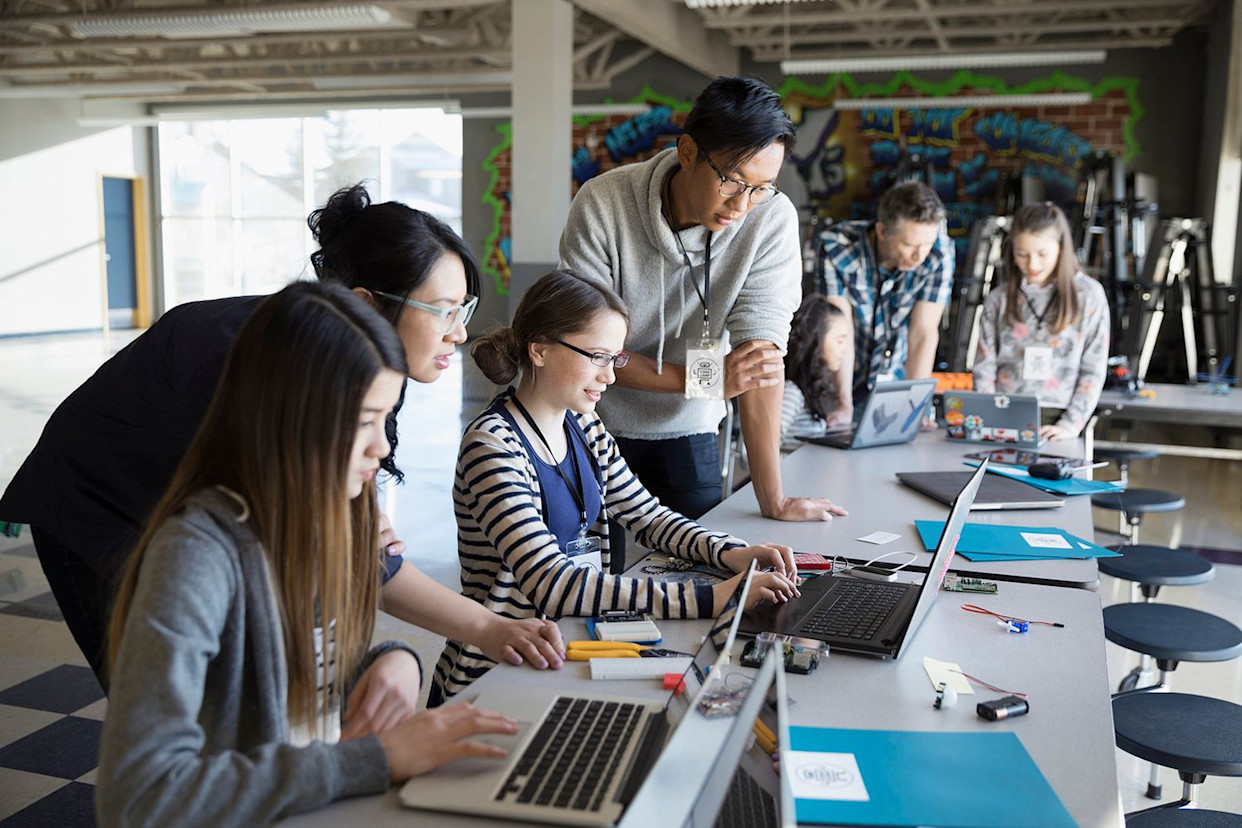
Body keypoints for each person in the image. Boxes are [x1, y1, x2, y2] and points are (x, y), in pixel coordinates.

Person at [0, 183, 563, 691]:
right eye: (443, 311)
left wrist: (488, 627)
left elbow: (360, 552)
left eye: (464, 307)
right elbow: (347, 555)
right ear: (364, 304)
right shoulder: (253, 366)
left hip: (191, 516)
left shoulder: (368, 362)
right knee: (169, 704)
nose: (460, 332)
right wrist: (480, 624)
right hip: (100, 509)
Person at [97, 282, 522, 825]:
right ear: (288, 415)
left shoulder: (325, 520)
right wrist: (376, 759)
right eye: (365, 420)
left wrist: (391, 661)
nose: (382, 446)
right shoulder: (196, 556)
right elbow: (138, 798)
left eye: (385, 419)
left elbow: (304, 680)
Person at [431, 270, 800, 702]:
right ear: (540, 350)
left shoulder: (584, 426)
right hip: (493, 678)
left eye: (616, 359)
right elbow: (553, 582)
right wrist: (708, 597)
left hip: (565, 654)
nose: (609, 377)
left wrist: (728, 550)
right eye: (598, 357)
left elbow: (648, 517)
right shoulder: (493, 446)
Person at [559, 75, 846, 523]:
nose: (743, 205)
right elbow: (585, 351)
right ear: (688, 152)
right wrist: (705, 379)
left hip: (687, 426)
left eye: (762, 186)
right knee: (595, 576)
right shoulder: (603, 203)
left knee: (699, 568)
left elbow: (759, 363)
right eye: (733, 181)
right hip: (591, 418)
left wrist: (773, 499)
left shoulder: (770, 219)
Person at [820, 181, 955, 425]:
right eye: (910, 244)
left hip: (896, 383)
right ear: (882, 231)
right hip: (843, 376)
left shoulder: (939, 252)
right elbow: (841, 332)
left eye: (927, 244)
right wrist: (843, 403)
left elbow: (922, 333)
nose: (920, 255)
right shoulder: (836, 246)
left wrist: (917, 408)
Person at [972, 202, 1110, 440]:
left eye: (1042, 254)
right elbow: (984, 365)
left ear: (1060, 248)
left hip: (1058, 417)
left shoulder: (1088, 295)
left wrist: (1071, 424)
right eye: (1022, 255)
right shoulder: (999, 299)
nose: (1032, 265)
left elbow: (1094, 368)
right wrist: (989, 417)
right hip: (1005, 412)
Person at [780, 294, 851, 451]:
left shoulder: (812, 391)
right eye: (840, 341)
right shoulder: (791, 393)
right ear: (816, 341)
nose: (845, 350)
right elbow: (765, 450)